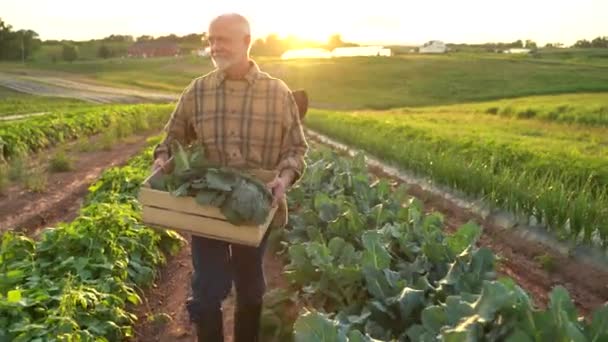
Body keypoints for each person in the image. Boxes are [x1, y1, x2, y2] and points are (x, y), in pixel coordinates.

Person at [151, 13, 308, 342]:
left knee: (250, 287)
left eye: (223, 39)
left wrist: (284, 178)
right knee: (208, 289)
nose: (214, 46)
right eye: (211, 39)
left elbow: (295, 148)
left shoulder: (278, 94)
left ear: (247, 42)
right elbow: (171, 140)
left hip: (255, 203)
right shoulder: (197, 91)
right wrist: (164, 160)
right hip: (209, 201)